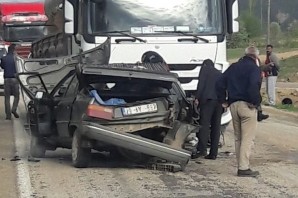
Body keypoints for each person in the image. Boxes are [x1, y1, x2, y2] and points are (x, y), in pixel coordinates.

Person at [216, 46, 261, 177]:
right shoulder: (254, 68)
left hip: (234, 105)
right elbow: (253, 85)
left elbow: (219, 82)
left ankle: (241, 165)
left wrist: (222, 100)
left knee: (238, 138)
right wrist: (255, 102)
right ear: (256, 57)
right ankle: (243, 167)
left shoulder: (233, 67)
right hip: (247, 105)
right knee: (247, 138)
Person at [192, 59, 223, 160]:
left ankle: (202, 150)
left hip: (207, 101)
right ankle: (213, 153)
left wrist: (197, 97)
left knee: (204, 125)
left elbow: (201, 85)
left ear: (204, 65)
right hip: (218, 102)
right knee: (216, 126)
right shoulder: (219, 73)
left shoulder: (204, 71)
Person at [0, 44, 20, 120]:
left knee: (7, 98)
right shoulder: (16, 58)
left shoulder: (3, 58)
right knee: (17, 96)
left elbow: (2, 66)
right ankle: (14, 109)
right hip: (15, 79)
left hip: (6, 79)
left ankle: (8, 116)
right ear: (14, 50)